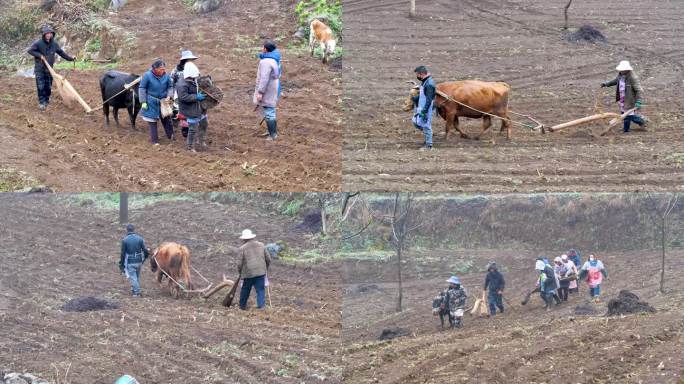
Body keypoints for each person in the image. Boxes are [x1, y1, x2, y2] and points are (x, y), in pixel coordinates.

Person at [27, 25, 76, 110]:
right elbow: (30, 50)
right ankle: (42, 103)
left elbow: (61, 53)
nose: (49, 35)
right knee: (41, 86)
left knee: (48, 86)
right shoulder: (38, 43)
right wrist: (40, 55)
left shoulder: (54, 44)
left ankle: (46, 100)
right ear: (44, 34)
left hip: (50, 69)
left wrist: (71, 59)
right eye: (47, 34)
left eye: (50, 33)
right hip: (40, 69)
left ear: (52, 34)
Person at [601, 60, 646, 133]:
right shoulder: (620, 75)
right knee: (624, 114)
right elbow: (615, 81)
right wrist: (607, 84)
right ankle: (641, 122)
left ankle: (627, 129)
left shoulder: (633, 78)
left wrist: (638, 101)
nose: (620, 70)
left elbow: (639, 90)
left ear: (627, 69)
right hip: (622, 98)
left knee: (627, 115)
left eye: (622, 69)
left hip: (630, 99)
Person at [139, 59, 174, 145]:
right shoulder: (147, 75)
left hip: (163, 101)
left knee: (166, 119)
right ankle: (154, 141)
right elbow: (142, 88)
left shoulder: (166, 76)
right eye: (161, 69)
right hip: (151, 101)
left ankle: (171, 136)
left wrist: (169, 96)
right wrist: (143, 101)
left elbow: (170, 87)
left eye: (164, 68)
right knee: (152, 121)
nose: (163, 70)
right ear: (155, 69)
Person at [176, 61, 207, 152]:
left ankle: (201, 141)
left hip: (200, 107)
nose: (195, 78)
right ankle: (190, 147)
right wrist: (196, 97)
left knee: (204, 124)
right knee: (192, 129)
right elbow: (183, 97)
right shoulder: (182, 84)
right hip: (190, 109)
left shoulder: (195, 79)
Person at [237, 229, 271, 310]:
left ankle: (242, 306)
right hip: (260, 272)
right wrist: (265, 268)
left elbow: (239, 264)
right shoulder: (261, 245)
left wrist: (240, 272)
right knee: (260, 289)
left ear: (244, 239)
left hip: (248, 273)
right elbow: (268, 259)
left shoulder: (242, 248)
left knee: (245, 289)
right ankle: (261, 306)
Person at [254, 41, 281, 140]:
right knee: (269, 109)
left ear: (265, 49)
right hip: (273, 87)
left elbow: (264, 78)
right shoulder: (274, 59)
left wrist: (260, 92)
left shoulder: (265, 62)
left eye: (263, 47)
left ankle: (273, 135)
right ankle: (271, 132)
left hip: (267, 88)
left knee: (269, 110)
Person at [171, 50, 199, 140]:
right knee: (180, 111)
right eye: (188, 59)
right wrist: (172, 93)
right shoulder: (176, 70)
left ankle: (188, 129)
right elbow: (171, 82)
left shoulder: (193, 68)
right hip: (179, 92)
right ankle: (183, 128)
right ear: (184, 60)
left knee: (190, 110)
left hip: (192, 91)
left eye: (191, 59)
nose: (190, 61)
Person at [119, 224, 149, 297]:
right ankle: (134, 290)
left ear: (127, 230)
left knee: (133, 278)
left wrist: (121, 264)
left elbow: (123, 254)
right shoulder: (140, 239)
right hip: (139, 261)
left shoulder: (124, 240)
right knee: (136, 277)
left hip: (130, 262)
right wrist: (145, 257)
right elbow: (145, 250)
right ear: (134, 229)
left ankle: (137, 293)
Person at [412, 66, 436, 151]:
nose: (417, 76)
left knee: (426, 125)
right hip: (422, 106)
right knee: (415, 122)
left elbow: (429, 100)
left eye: (417, 74)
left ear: (422, 74)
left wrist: (424, 111)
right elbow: (423, 95)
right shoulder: (425, 81)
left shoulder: (429, 84)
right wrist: (415, 98)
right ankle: (428, 135)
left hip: (427, 108)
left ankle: (429, 146)